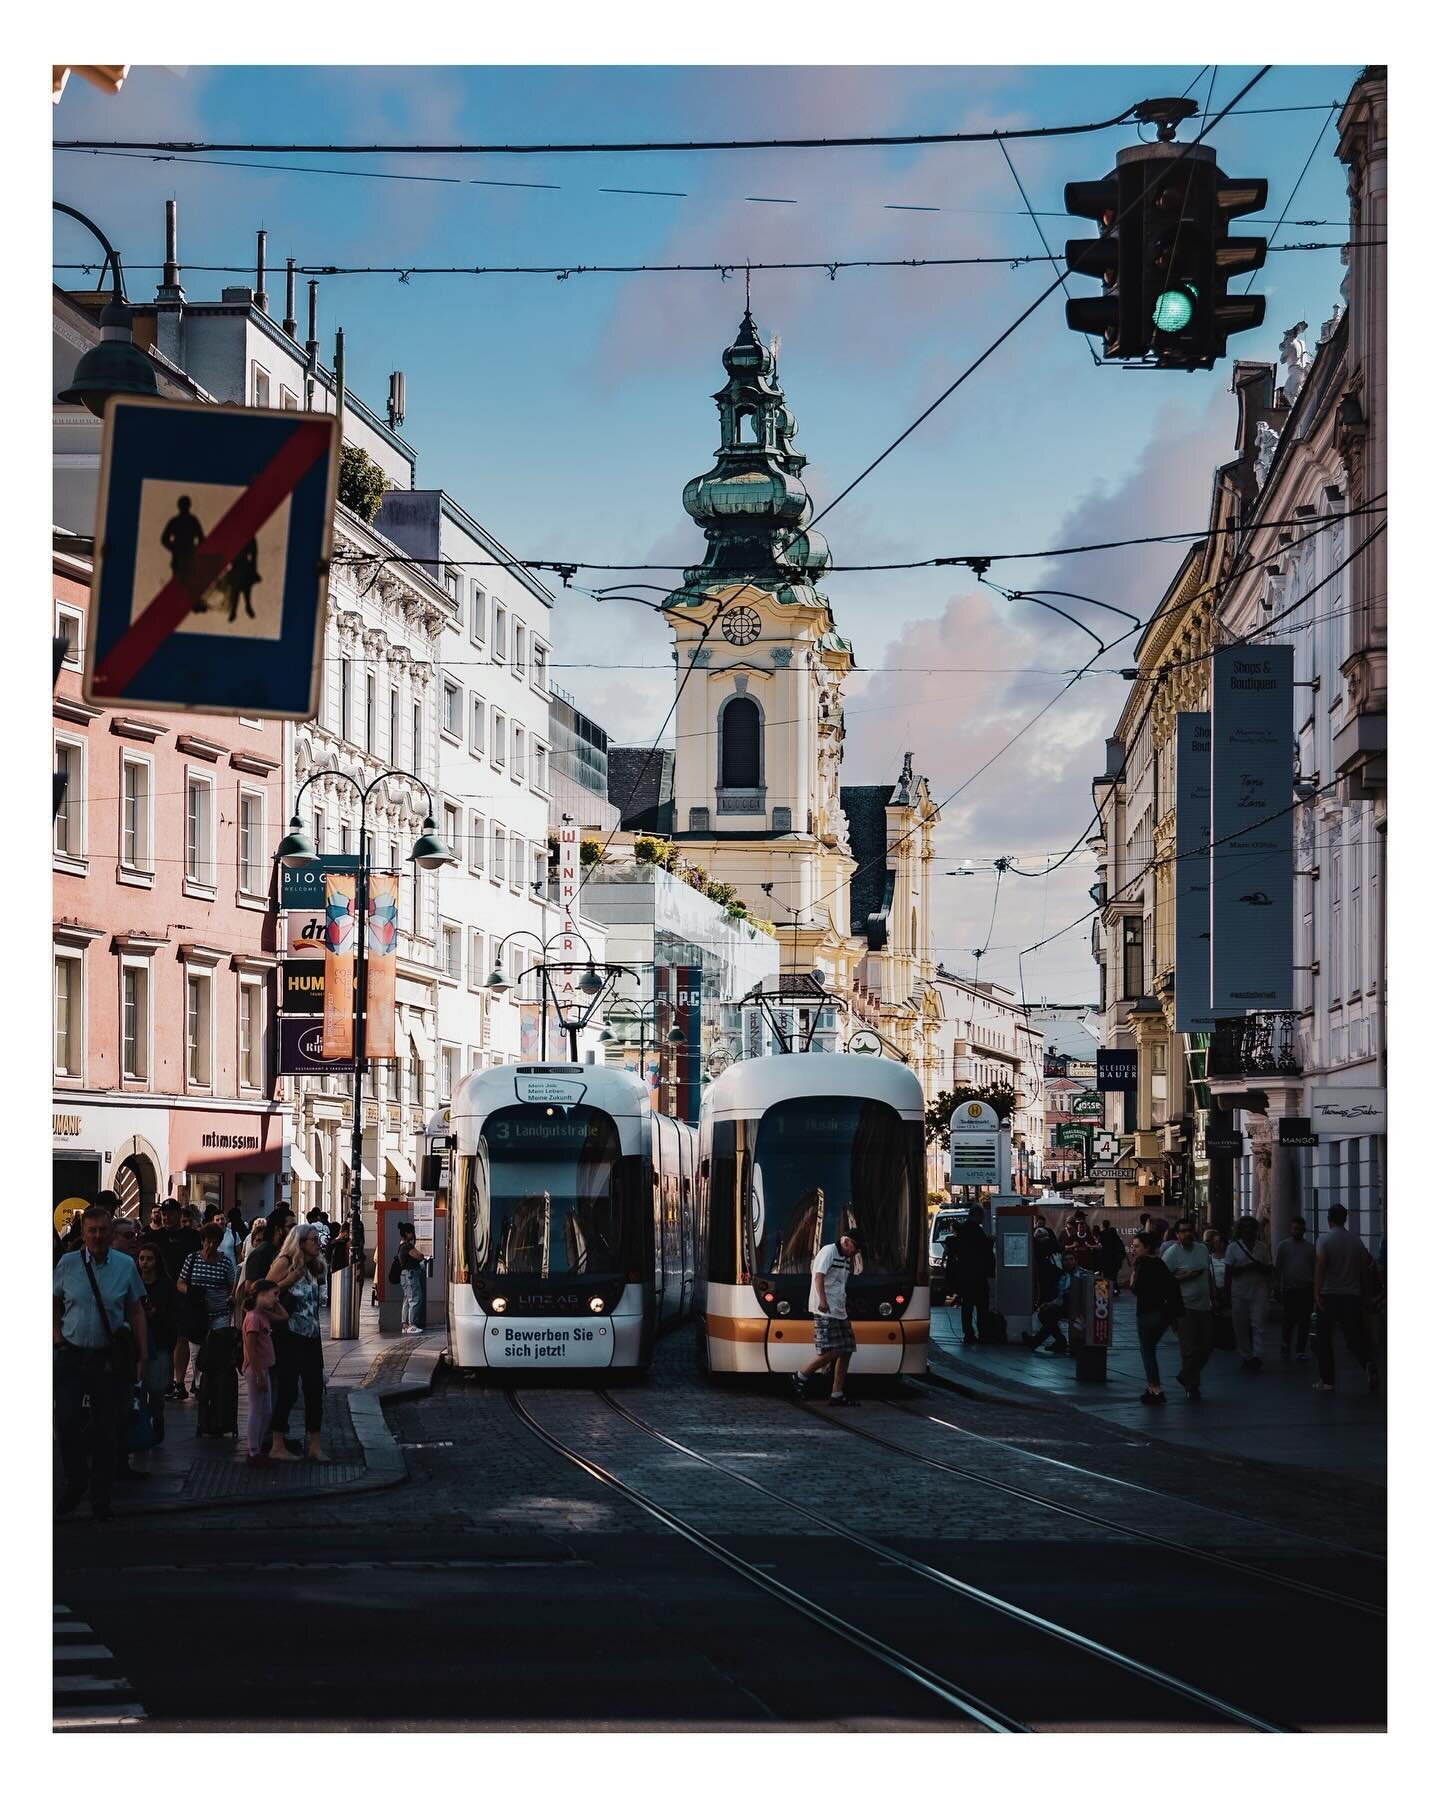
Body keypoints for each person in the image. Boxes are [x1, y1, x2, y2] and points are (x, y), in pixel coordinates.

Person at [54, 1206, 147, 1522]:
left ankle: (100, 1498)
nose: (97, 1236)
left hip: (107, 1356)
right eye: (91, 1230)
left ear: (110, 1232)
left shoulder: (124, 1265)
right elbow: (52, 1302)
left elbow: (135, 1310)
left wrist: (141, 1354)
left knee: (107, 1428)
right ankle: (76, 1480)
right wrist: (56, 1337)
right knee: (65, 1421)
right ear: (83, 1233)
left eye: (102, 1230)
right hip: (72, 1352)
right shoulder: (67, 1264)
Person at [268, 1223, 329, 1460]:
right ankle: (277, 1443)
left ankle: (314, 1444)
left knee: (314, 1391)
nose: (318, 1243)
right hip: (289, 1336)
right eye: (313, 1239)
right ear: (300, 1242)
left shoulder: (314, 1266)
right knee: (289, 1391)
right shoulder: (285, 1262)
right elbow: (264, 1291)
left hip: (311, 1337)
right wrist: (289, 1280)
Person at [791, 1229, 864, 1407]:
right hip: (825, 1309)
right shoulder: (828, 1251)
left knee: (847, 1349)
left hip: (839, 1309)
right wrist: (822, 1300)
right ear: (846, 1241)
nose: (855, 1252)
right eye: (855, 1248)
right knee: (833, 1350)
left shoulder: (847, 1258)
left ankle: (837, 1393)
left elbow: (839, 1283)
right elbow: (818, 1277)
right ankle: (800, 1376)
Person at [1312, 1203, 1380, 1393]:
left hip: (1329, 1295)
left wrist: (1316, 1293)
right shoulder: (1355, 1241)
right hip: (1352, 1295)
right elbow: (1364, 1270)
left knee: (1324, 1339)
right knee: (1354, 1336)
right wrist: (1366, 1295)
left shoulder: (1324, 1240)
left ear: (1329, 1219)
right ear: (1345, 1218)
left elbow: (1321, 1266)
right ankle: (1367, 1362)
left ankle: (1327, 1381)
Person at [142, 1198, 201, 1398]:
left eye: (171, 1214)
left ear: (179, 1214)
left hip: (183, 1292)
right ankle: (165, 1380)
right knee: (164, 1339)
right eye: (164, 1214)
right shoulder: (153, 1237)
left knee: (181, 1336)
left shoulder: (192, 1236)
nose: (167, 1217)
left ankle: (178, 1381)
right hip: (161, 1292)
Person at [175, 1224, 238, 1384]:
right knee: (196, 1352)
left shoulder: (225, 1263)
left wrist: (231, 1298)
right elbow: (180, 1283)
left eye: (215, 1242)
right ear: (202, 1241)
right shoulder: (192, 1259)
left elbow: (232, 1287)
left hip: (220, 1314)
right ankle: (199, 1384)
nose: (211, 1246)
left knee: (217, 1350)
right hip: (197, 1315)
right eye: (208, 1241)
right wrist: (191, 1292)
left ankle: (214, 1382)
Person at [1163, 1218, 1215, 1400]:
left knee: (1208, 1346)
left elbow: (1208, 1275)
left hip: (1204, 1306)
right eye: (1183, 1231)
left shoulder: (1202, 1249)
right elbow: (1163, 1279)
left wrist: (1214, 1296)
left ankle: (1186, 1375)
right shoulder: (1171, 1254)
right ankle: (1192, 1385)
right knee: (1190, 1349)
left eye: (1189, 1230)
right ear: (1177, 1235)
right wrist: (1185, 1276)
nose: (1187, 1234)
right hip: (1184, 1307)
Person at [1131, 1230, 1183, 1403]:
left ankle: (1155, 1388)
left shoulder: (1141, 1263)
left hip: (1147, 1312)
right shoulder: (1160, 1263)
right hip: (1164, 1314)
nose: (1134, 1249)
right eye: (1133, 1246)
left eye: (1137, 1246)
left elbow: (1136, 1288)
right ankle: (1152, 1388)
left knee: (1147, 1351)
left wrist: (1132, 1280)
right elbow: (1172, 1285)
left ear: (1146, 1248)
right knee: (1150, 1349)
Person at [134, 1243, 178, 1446]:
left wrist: (156, 1313)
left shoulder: (166, 1285)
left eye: (149, 1259)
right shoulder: (133, 1283)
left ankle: (157, 1418)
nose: (144, 1263)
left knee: (157, 1390)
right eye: (142, 1258)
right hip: (136, 1343)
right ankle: (143, 1427)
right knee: (140, 1391)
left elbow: (172, 1315)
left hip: (159, 1341)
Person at [241, 1280, 285, 1467]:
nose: (276, 1299)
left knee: (265, 1411)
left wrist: (274, 1302)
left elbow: (284, 1316)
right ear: (262, 1293)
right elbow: (251, 1348)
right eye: (274, 1294)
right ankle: (253, 1450)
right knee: (256, 1410)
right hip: (256, 1370)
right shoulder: (253, 1318)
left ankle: (257, 1449)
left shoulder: (263, 1315)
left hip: (263, 1368)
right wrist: (259, 1375)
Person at [1224, 1215, 1273, 1370]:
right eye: (1244, 1228)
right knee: (1241, 1325)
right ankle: (1246, 1355)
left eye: (1251, 1228)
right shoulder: (1232, 1247)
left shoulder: (1262, 1247)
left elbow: (1269, 1268)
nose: (1248, 1231)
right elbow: (1229, 1271)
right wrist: (1246, 1268)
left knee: (1258, 1323)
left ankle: (1258, 1355)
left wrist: (1259, 1267)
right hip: (1239, 1291)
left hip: (1259, 1290)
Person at [945, 1211, 996, 1343]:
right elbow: (984, 1249)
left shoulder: (962, 1230)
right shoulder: (976, 1231)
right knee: (982, 1306)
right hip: (978, 1275)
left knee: (967, 1306)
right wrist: (990, 1241)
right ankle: (983, 1333)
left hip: (965, 1274)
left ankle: (968, 1333)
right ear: (976, 1216)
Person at [1274, 1216, 1317, 1361]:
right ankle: (1286, 1345)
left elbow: (1314, 1269)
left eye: (1299, 1229)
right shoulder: (1283, 1246)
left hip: (1306, 1288)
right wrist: (1277, 1287)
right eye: (1294, 1229)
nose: (1297, 1231)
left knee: (1304, 1321)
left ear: (1304, 1230)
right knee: (1288, 1320)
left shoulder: (1310, 1248)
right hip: (1289, 1289)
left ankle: (1300, 1349)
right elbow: (1278, 1267)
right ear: (1291, 1229)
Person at [1023, 1251, 1077, 1352]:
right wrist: (1049, 1304)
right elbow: (1061, 1296)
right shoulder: (1063, 1275)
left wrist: (1051, 1304)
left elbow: (1067, 1294)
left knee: (1051, 1315)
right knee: (1044, 1314)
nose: (1068, 1262)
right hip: (1066, 1304)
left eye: (1071, 1259)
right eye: (1066, 1260)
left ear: (1075, 1261)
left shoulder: (1078, 1274)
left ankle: (1036, 1342)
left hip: (1075, 1306)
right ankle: (1060, 1341)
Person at [394, 1222, 427, 1335]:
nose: (413, 1234)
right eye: (411, 1232)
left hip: (405, 1275)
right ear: (407, 1233)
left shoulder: (401, 1245)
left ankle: (405, 1325)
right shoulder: (407, 1246)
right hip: (410, 1275)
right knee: (415, 1299)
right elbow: (419, 1256)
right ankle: (412, 1324)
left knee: (407, 1300)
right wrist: (421, 1256)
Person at [1097, 1221, 1127, 1285]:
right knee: (1114, 1277)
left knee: (1106, 1276)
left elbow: (1099, 1246)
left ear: (1103, 1226)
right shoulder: (1115, 1235)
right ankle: (1115, 1290)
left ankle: (1108, 1291)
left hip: (1105, 1260)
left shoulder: (1102, 1235)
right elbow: (1121, 1246)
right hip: (1115, 1260)